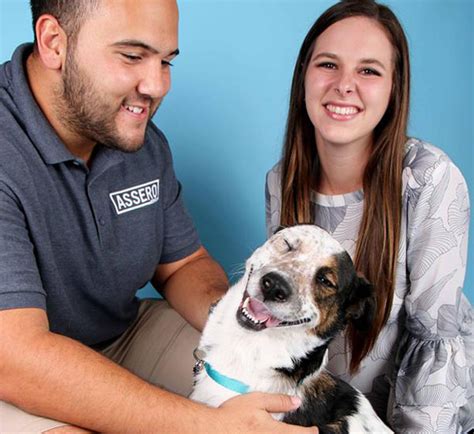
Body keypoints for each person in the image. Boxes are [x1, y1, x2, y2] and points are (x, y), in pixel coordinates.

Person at [0, 1, 318, 432]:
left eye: (166, 61)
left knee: (278, 391)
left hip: (119, 339)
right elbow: (16, 357)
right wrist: (211, 425)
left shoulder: (138, 139)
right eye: (132, 56)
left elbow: (183, 265)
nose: (156, 85)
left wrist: (241, 325)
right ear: (54, 42)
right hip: (14, 370)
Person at [265, 0, 473, 432]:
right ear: (304, 74)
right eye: (328, 64)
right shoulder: (281, 181)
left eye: (369, 71)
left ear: (394, 87)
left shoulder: (427, 178)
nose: (344, 85)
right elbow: (289, 329)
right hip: (336, 416)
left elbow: (435, 344)